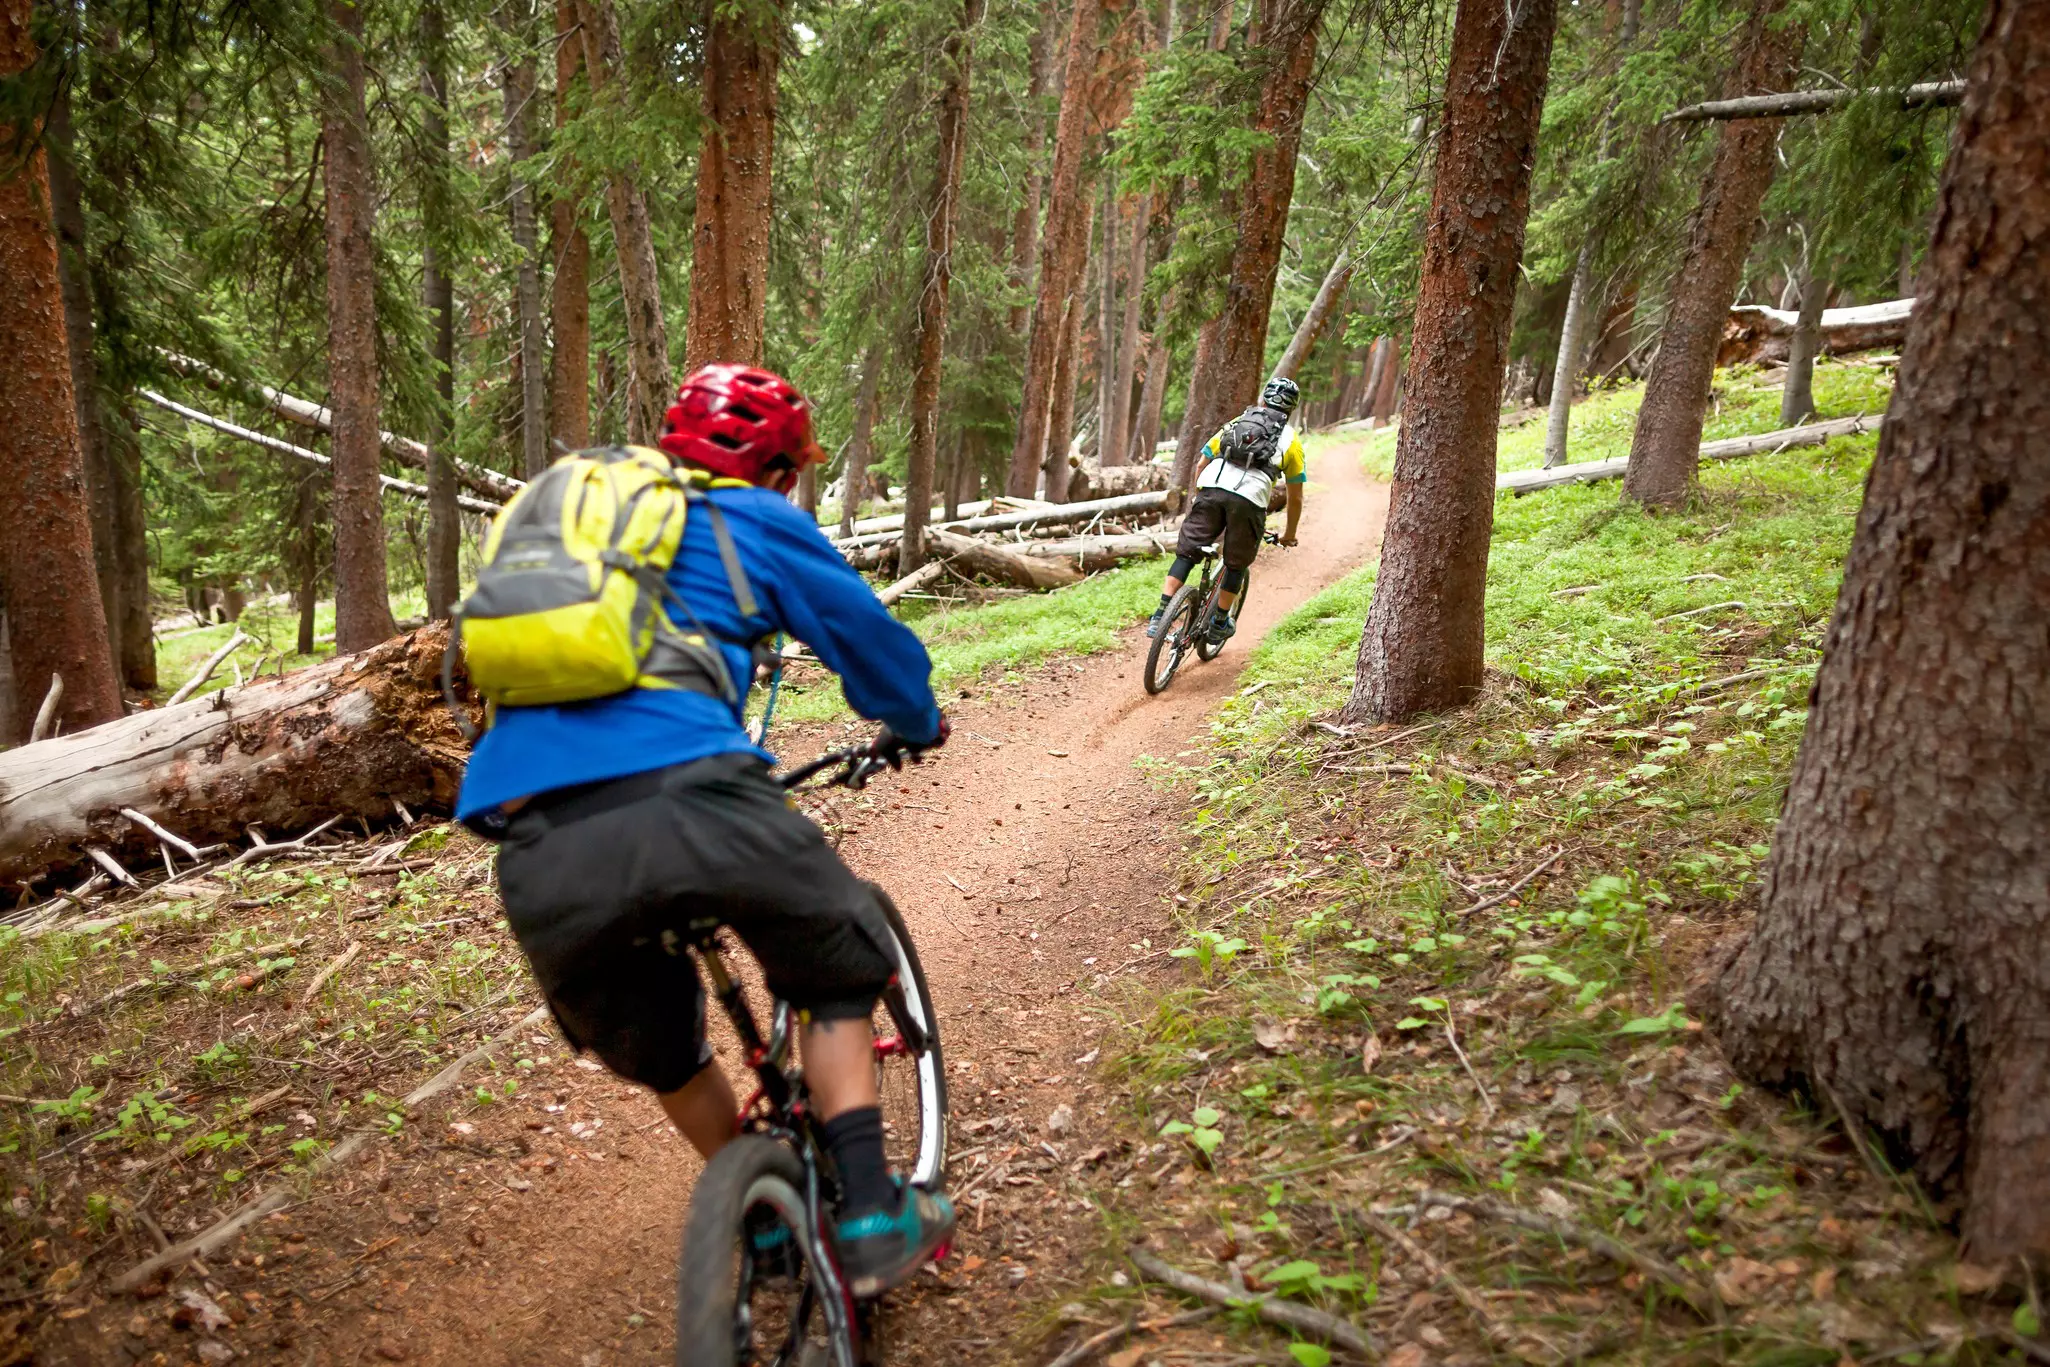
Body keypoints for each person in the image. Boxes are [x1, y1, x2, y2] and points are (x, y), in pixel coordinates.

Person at [455, 364, 955, 1299]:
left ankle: (762, 1214)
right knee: (837, 960)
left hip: (540, 852)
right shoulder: (752, 519)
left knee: (663, 1045)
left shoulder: (587, 537)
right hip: (695, 802)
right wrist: (916, 720)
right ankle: (875, 1214)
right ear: (776, 470)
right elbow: (876, 650)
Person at [1150, 377, 1306, 644]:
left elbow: (1202, 461)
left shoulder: (1237, 422)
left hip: (1211, 486)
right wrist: (1289, 534)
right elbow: (1296, 497)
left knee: (1187, 553)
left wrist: (1201, 496)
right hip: (1249, 501)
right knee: (1236, 563)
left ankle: (1159, 614)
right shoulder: (1291, 441)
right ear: (1291, 408)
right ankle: (1219, 622)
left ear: (1264, 399)